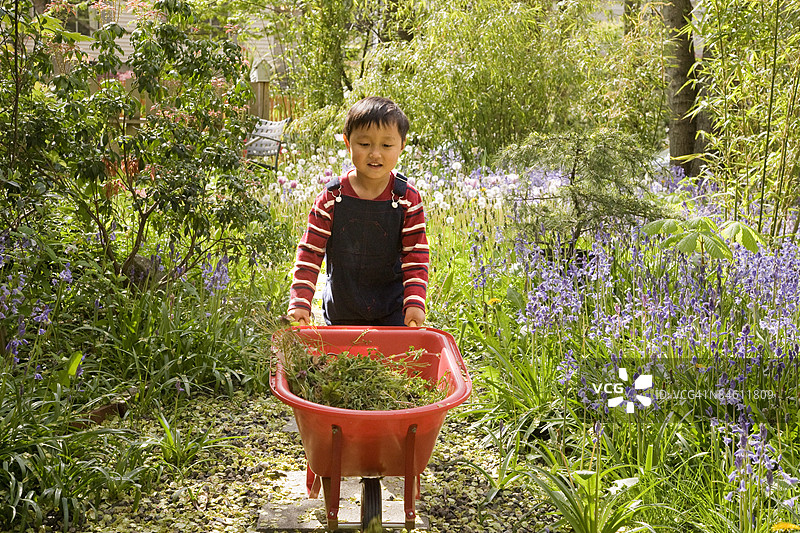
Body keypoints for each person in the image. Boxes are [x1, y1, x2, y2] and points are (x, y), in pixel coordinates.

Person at [287, 97, 429, 327]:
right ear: (348, 142)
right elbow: (310, 252)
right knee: (343, 352)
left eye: (386, 145)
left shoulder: (407, 199)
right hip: (342, 309)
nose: (375, 154)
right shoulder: (331, 198)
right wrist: (301, 302)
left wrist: (414, 302)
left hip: (394, 311)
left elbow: (415, 255)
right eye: (364, 144)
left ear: (402, 145)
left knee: (394, 353)